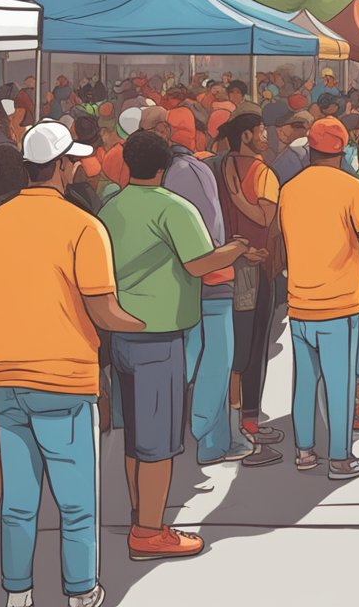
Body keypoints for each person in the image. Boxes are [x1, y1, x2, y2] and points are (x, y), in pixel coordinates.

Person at [0, 120, 145, 607]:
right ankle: (80, 591)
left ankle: (17, 594)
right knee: (76, 502)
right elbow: (104, 310)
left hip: (10, 381)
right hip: (66, 380)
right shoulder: (83, 226)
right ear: (63, 166)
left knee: (19, 503)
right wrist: (145, 325)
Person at [100, 129, 256, 559]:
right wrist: (235, 250)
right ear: (165, 167)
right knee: (158, 442)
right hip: (160, 335)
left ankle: (139, 515)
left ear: (128, 165)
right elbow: (200, 262)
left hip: (121, 334)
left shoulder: (110, 208)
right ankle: (149, 531)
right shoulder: (174, 208)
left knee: (135, 435)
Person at [278, 116, 359, 479]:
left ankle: (304, 451)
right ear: (342, 149)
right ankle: (340, 458)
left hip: (300, 301)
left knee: (304, 381)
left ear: (311, 149)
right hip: (340, 302)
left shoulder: (291, 189)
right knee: (339, 383)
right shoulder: (354, 189)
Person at [152, 109, 263, 467]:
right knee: (216, 360)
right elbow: (210, 228)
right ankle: (211, 441)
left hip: (176, 283)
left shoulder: (156, 173)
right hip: (213, 279)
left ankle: (193, 437)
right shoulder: (197, 169)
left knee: (189, 360)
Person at [214, 112, 284, 446]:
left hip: (225, 262)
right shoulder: (262, 173)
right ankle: (247, 419)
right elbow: (266, 217)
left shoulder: (217, 166)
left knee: (234, 342)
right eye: (260, 132)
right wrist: (242, 199)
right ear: (246, 136)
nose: (265, 138)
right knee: (252, 345)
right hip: (253, 266)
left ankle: (235, 417)